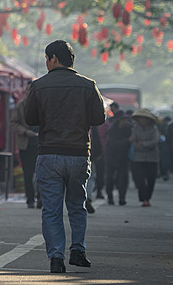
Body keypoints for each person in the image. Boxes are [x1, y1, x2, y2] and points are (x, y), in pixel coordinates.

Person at [23, 39, 105, 274]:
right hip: (78, 154)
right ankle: (78, 250)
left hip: (49, 154)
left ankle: (56, 258)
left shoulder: (39, 85)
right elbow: (99, 118)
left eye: (46, 59)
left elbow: (30, 118)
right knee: (77, 205)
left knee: (51, 209)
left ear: (53, 59)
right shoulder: (88, 85)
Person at [12, 96, 40, 209]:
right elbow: (13, 122)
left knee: (41, 173)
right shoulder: (20, 105)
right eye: (28, 90)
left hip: (40, 144)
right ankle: (30, 199)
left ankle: (41, 198)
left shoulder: (41, 102)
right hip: (26, 144)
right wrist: (24, 132)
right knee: (27, 173)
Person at [130, 109, 161, 206]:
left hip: (152, 158)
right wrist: (141, 146)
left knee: (151, 179)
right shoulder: (135, 129)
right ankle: (144, 199)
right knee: (140, 180)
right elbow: (134, 142)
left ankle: (148, 197)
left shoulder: (154, 129)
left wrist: (143, 144)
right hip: (139, 158)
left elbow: (155, 141)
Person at [105, 113, 132, 205]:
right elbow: (114, 144)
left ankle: (122, 198)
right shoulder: (112, 129)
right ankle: (110, 198)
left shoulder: (128, 129)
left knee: (123, 180)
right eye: (123, 120)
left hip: (123, 158)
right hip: (111, 157)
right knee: (110, 180)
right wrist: (127, 141)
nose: (124, 122)